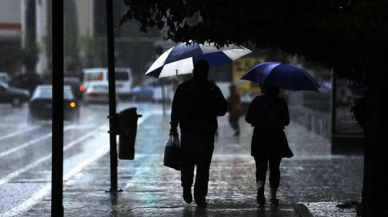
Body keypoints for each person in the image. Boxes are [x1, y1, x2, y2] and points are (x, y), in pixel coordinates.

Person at [169, 59, 227, 208]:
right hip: (206, 135)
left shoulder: (183, 89)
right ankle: (200, 195)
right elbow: (222, 109)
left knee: (187, 163)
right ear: (207, 72)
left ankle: (186, 188)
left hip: (187, 133)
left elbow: (175, 110)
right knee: (203, 166)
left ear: (193, 71)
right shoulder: (212, 89)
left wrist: (173, 128)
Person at [245, 86, 293, 206]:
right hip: (276, 137)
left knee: (260, 166)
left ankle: (260, 188)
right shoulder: (281, 102)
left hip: (260, 136)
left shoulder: (257, 101)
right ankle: (273, 196)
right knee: (274, 167)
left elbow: (248, 118)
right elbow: (286, 121)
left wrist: (259, 122)